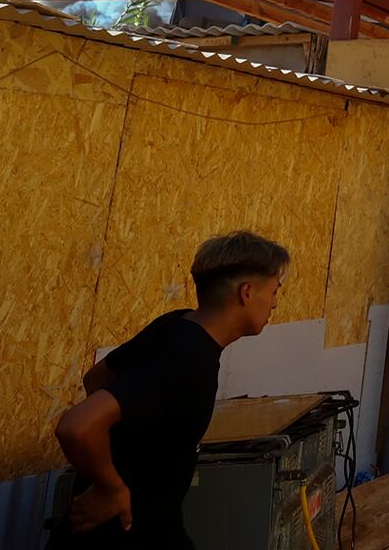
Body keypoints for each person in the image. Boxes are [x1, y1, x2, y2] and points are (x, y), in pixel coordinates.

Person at [51, 231, 291, 545]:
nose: (275, 303)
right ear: (246, 293)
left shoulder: (177, 324)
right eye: (274, 291)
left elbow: (96, 379)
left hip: (156, 524)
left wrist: (126, 450)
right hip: (124, 530)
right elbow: (77, 427)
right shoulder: (189, 358)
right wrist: (111, 487)